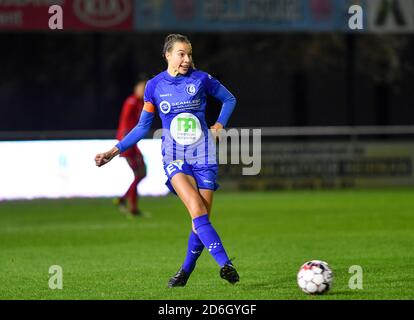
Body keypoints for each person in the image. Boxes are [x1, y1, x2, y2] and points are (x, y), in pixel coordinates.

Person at [95, 34, 239, 287]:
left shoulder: (201, 79)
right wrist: (114, 151)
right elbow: (142, 128)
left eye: (190, 54)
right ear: (168, 55)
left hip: (204, 155)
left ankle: (184, 272)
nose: (187, 59)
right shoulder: (154, 86)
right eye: (181, 54)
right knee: (196, 208)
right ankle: (226, 264)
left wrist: (218, 125)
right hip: (175, 156)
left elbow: (229, 99)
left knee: (200, 220)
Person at [114, 76, 147, 217]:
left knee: (141, 173)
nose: (144, 90)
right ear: (136, 89)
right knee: (140, 174)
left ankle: (125, 202)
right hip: (128, 143)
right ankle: (130, 206)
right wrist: (126, 143)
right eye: (142, 88)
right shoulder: (132, 101)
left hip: (132, 143)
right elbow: (126, 123)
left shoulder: (141, 103)